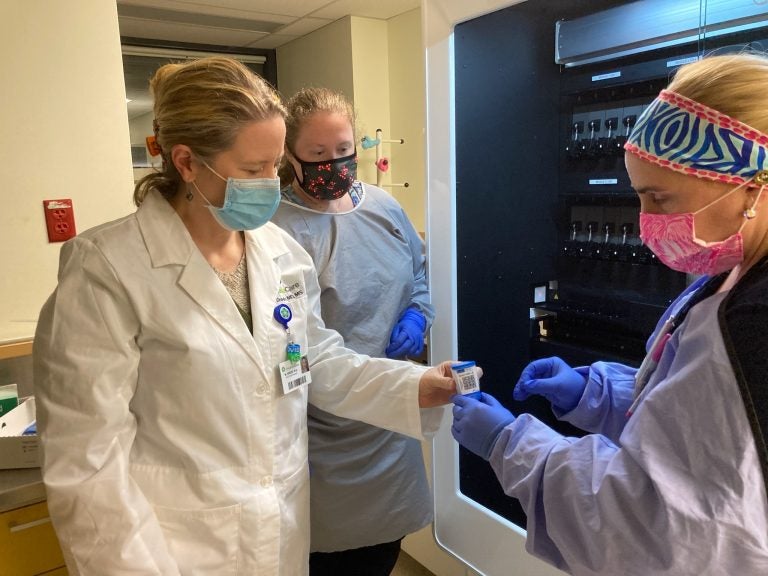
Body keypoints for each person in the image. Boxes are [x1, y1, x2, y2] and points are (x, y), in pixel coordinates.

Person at [32, 57, 457, 576]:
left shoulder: (278, 253)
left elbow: (313, 361)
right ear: (186, 162)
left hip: (279, 532)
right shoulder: (108, 269)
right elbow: (87, 462)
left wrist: (410, 386)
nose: (268, 183)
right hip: (174, 548)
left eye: (274, 166)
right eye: (252, 170)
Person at [450, 52, 768, 575]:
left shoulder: (754, 322)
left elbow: (657, 530)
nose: (646, 222)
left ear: (748, 187)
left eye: (659, 198)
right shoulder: (735, 273)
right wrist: (598, 394)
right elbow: (694, 431)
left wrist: (511, 443)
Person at [271, 87, 433, 576]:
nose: (334, 166)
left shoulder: (383, 208)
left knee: (382, 550)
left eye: (343, 152)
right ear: (290, 157)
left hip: (388, 416)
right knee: (321, 553)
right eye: (318, 155)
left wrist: (418, 315)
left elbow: (418, 274)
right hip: (317, 427)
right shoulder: (275, 226)